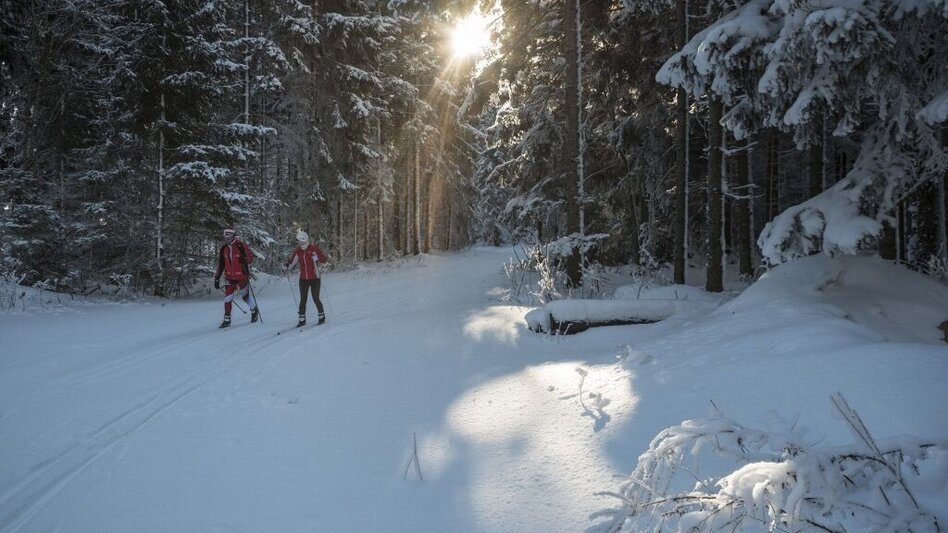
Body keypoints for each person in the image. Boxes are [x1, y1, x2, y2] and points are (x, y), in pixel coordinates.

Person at [213, 226, 259, 328]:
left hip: (242, 276)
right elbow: (221, 264)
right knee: (228, 298)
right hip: (229, 277)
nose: (227, 238)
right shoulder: (224, 248)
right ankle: (226, 320)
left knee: (245, 297)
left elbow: (250, 258)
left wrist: (245, 259)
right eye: (225, 236)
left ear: (233, 235)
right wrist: (217, 277)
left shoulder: (241, 245)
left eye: (229, 236)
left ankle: (254, 310)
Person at [283, 230, 328, 327]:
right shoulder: (298, 250)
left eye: (300, 241)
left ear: (304, 240)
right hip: (303, 279)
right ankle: (302, 319)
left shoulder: (313, 248)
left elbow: (324, 260)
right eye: (298, 241)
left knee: (315, 297)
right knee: (303, 299)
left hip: (315, 277)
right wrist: (287, 265)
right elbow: (292, 262)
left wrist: (317, 258)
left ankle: (321, 316)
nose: (299, 243)